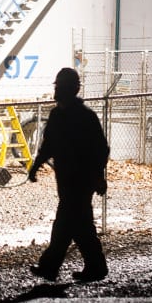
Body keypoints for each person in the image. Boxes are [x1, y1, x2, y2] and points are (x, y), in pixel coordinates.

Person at [27, 67, 110, 282]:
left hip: (79, 181)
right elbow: (49, 145)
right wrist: (35, 166)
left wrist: (97, 176)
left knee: (66, 223)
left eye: (60, 86)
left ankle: (51, 267)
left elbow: (100, 149)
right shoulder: (66, 115)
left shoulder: (80, 117)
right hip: (70, 180)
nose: (57, 90)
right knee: (79, 225)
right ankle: (94, 266)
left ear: (69, 89)